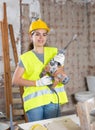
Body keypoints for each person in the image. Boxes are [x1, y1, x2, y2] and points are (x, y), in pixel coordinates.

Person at [12, 18, 68, 122]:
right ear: (31, 36)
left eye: (44, 34)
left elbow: (61, 75)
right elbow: (15, 80)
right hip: (35, 103)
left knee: (53, 127)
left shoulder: (54, 52)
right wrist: (37, 83)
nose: (41, 37)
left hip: (52, 100)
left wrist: (60, 65)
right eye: (37, 34)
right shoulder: (26, 57)